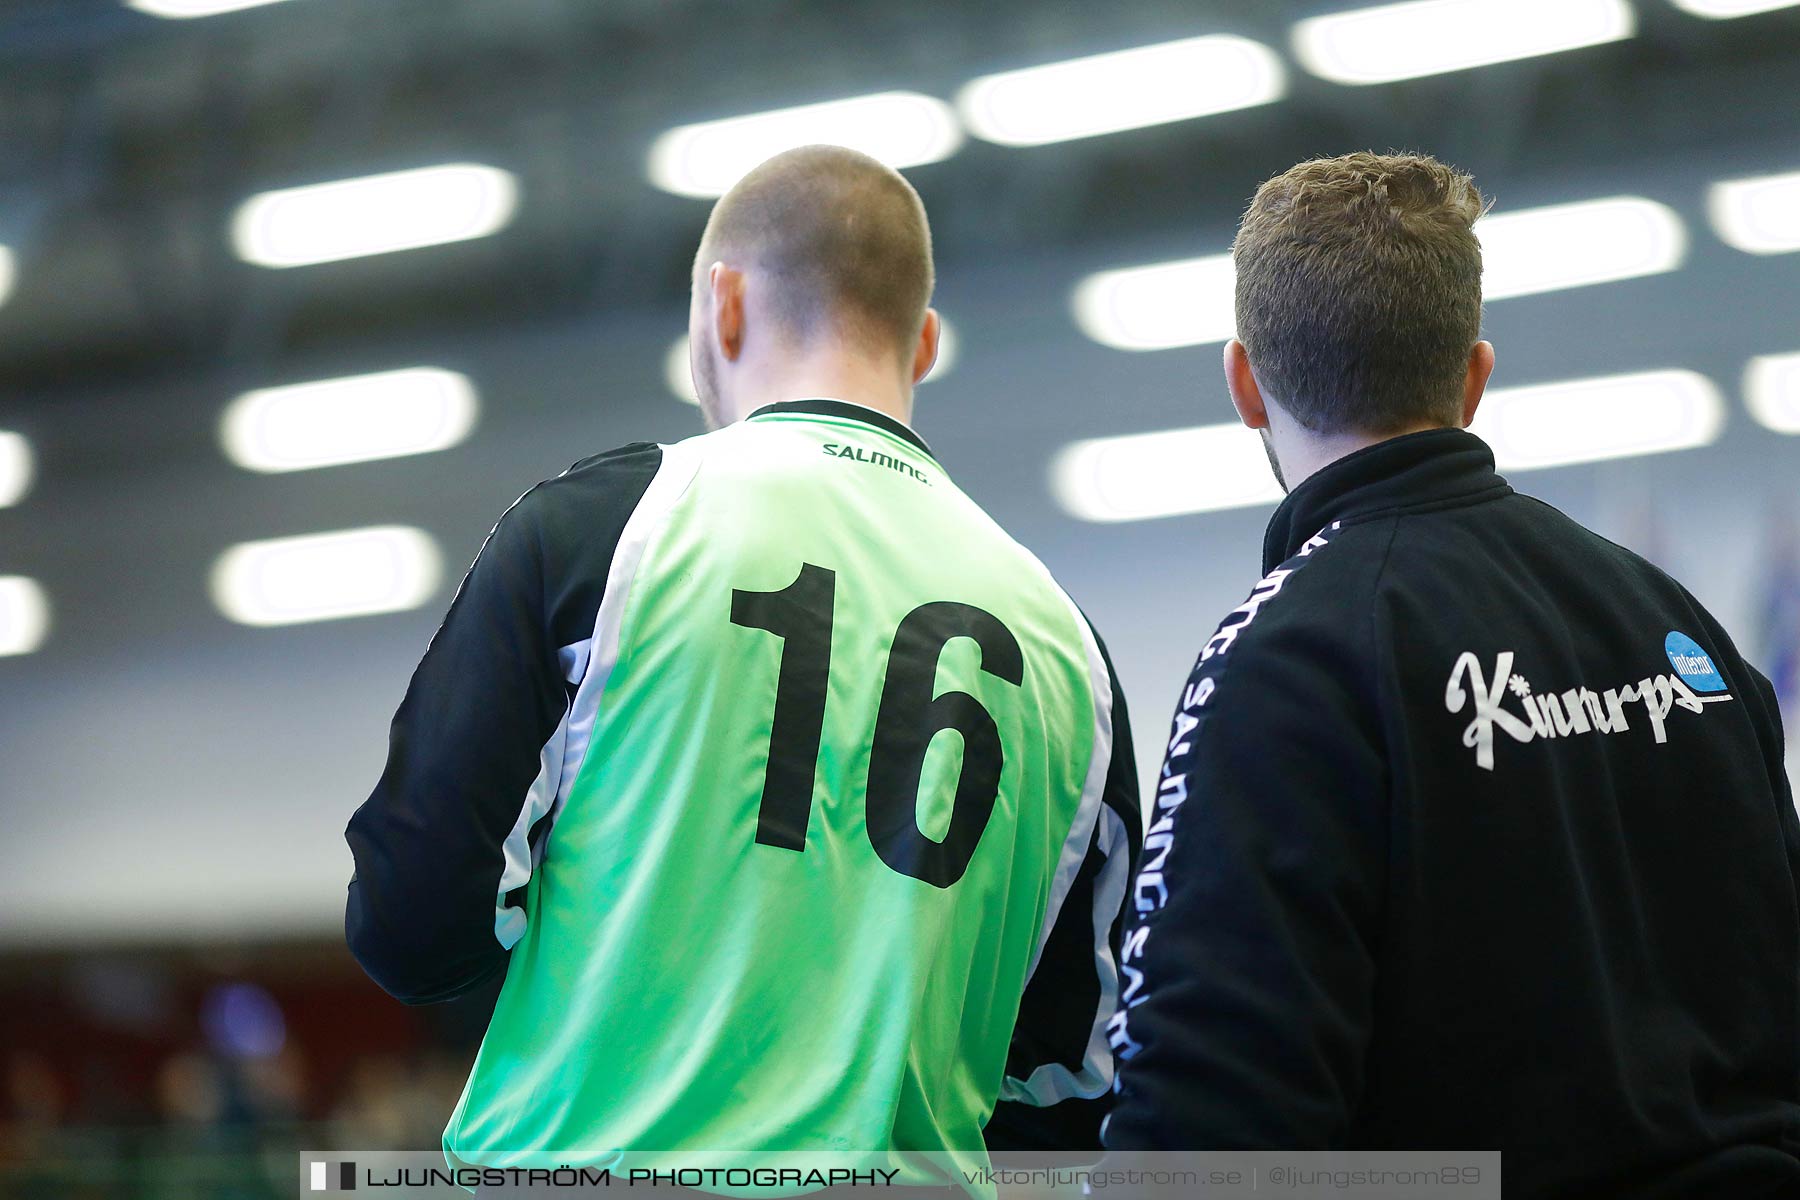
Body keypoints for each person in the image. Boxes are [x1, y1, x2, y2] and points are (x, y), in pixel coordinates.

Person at [344, 145, 1141, 1190]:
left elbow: (410, 921)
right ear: (925, 343)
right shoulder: (1065, 647)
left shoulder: (603, 534)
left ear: (723, 309)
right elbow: (1073, 1073)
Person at [1103, 152, 1800, 1198]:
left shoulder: (1285, 662)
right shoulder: (1676, 630)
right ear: (1473, 375)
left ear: (1245, 384)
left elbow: (1203, 1131)